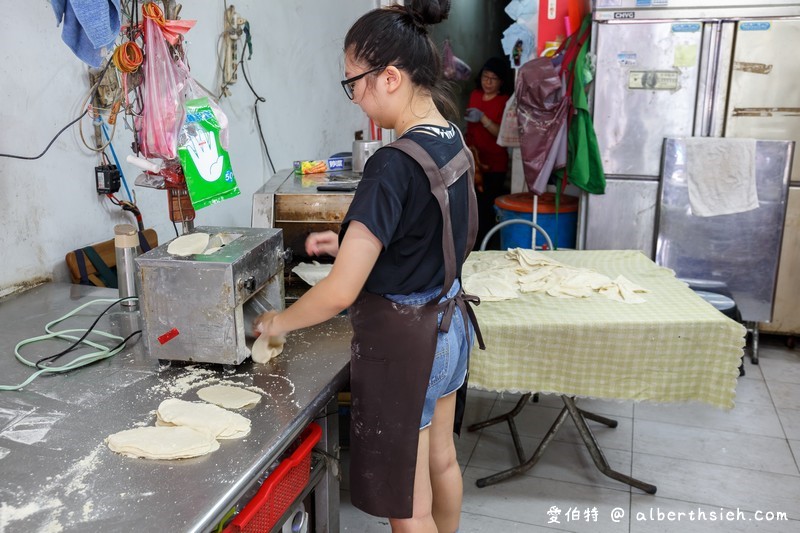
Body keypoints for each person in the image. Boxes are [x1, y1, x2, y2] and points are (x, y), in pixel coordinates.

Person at [253, 1, 483, 532]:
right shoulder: (450, 137)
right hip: (448, 329)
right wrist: (350, 240)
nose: (354, 98)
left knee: (410, 507)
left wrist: (277, 323)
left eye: (353, 84)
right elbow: (432, 226)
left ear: (391, 77)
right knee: (443, 459)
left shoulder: (391, 162)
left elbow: (338, 294)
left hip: (407, 347)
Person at [464, 57, 512, 249]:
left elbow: (502, 134)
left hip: (495, 163)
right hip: (474, 160)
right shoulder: (475, 95)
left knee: (488, 207)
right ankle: (473, 246)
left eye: (493, 78)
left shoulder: (505, 101)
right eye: (485, 76)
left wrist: (482, 118)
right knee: (473, 206)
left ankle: (487, 246)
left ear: (501, 82)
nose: (488, 81)